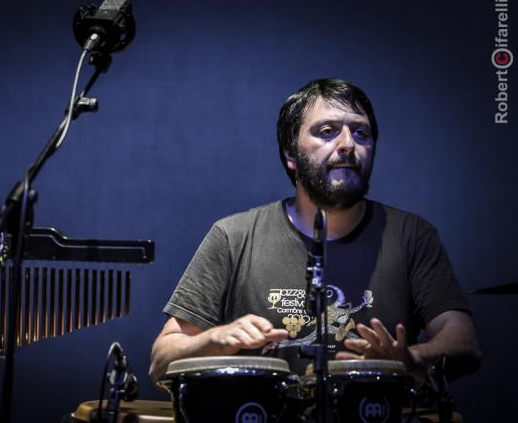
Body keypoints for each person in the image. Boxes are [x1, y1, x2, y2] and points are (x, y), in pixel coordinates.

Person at [149, 78, 481, 384]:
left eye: (361, 133)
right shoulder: (233, 236)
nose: (348, 144)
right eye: (327, 131)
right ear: (290, 153)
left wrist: (410, 359)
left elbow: (464, 342)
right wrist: (213, 340)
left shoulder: (411, 235)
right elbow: (160, 362)